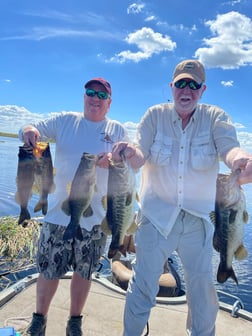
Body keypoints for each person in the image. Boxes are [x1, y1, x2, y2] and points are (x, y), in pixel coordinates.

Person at [111, 59, 252, 336]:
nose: (186, 90)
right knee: (142, 289)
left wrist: (242, 161)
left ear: (202, 89)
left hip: (199, 223)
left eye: (193, 84)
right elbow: (139, 157)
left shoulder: (215, 118)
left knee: (203, 295)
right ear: (171, 87)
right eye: (180, 84)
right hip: (155, 219)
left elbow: (230, 150)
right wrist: (127, 152)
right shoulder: (154, 115)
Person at [19, 77, 132, 336]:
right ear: (84, 97)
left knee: (85, 271)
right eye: (90, 92)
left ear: (109, 103)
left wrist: (116, 156)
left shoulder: (117, 129)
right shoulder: (65, 121)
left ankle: (74, 320)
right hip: (59, 214)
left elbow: (128, 159)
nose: (95, 98)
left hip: (95, 219)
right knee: (49, 270)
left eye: (102, 95)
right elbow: (31, 128)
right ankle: (40, 318)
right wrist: (28, 130)